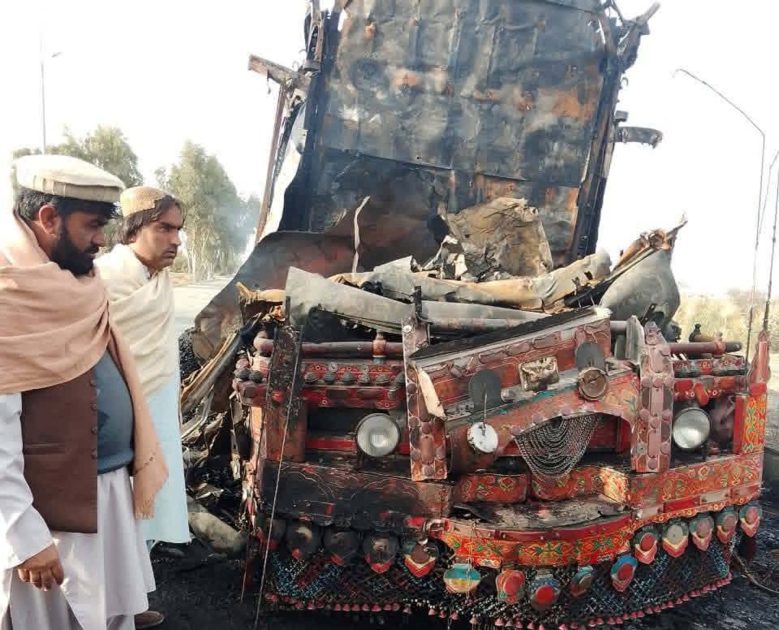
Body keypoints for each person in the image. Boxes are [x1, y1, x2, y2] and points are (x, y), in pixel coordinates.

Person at [0, 154, 168, 630]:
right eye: (92, 226)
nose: (102, 240)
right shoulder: (8, 297)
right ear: (48, 218)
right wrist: (23, 536)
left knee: (109, 615)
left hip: (108, 493)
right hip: (47, 516)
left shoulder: (81, 284)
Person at [96, 187, 190, 628]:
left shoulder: (159, 281)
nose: (175, 240)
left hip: (157, 412)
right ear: (133, 229)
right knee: (114, 516)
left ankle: (129, 604)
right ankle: (106, 611)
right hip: (115, 419)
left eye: (178, 230)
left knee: (147, 511)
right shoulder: (102, 279)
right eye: (164, 228)